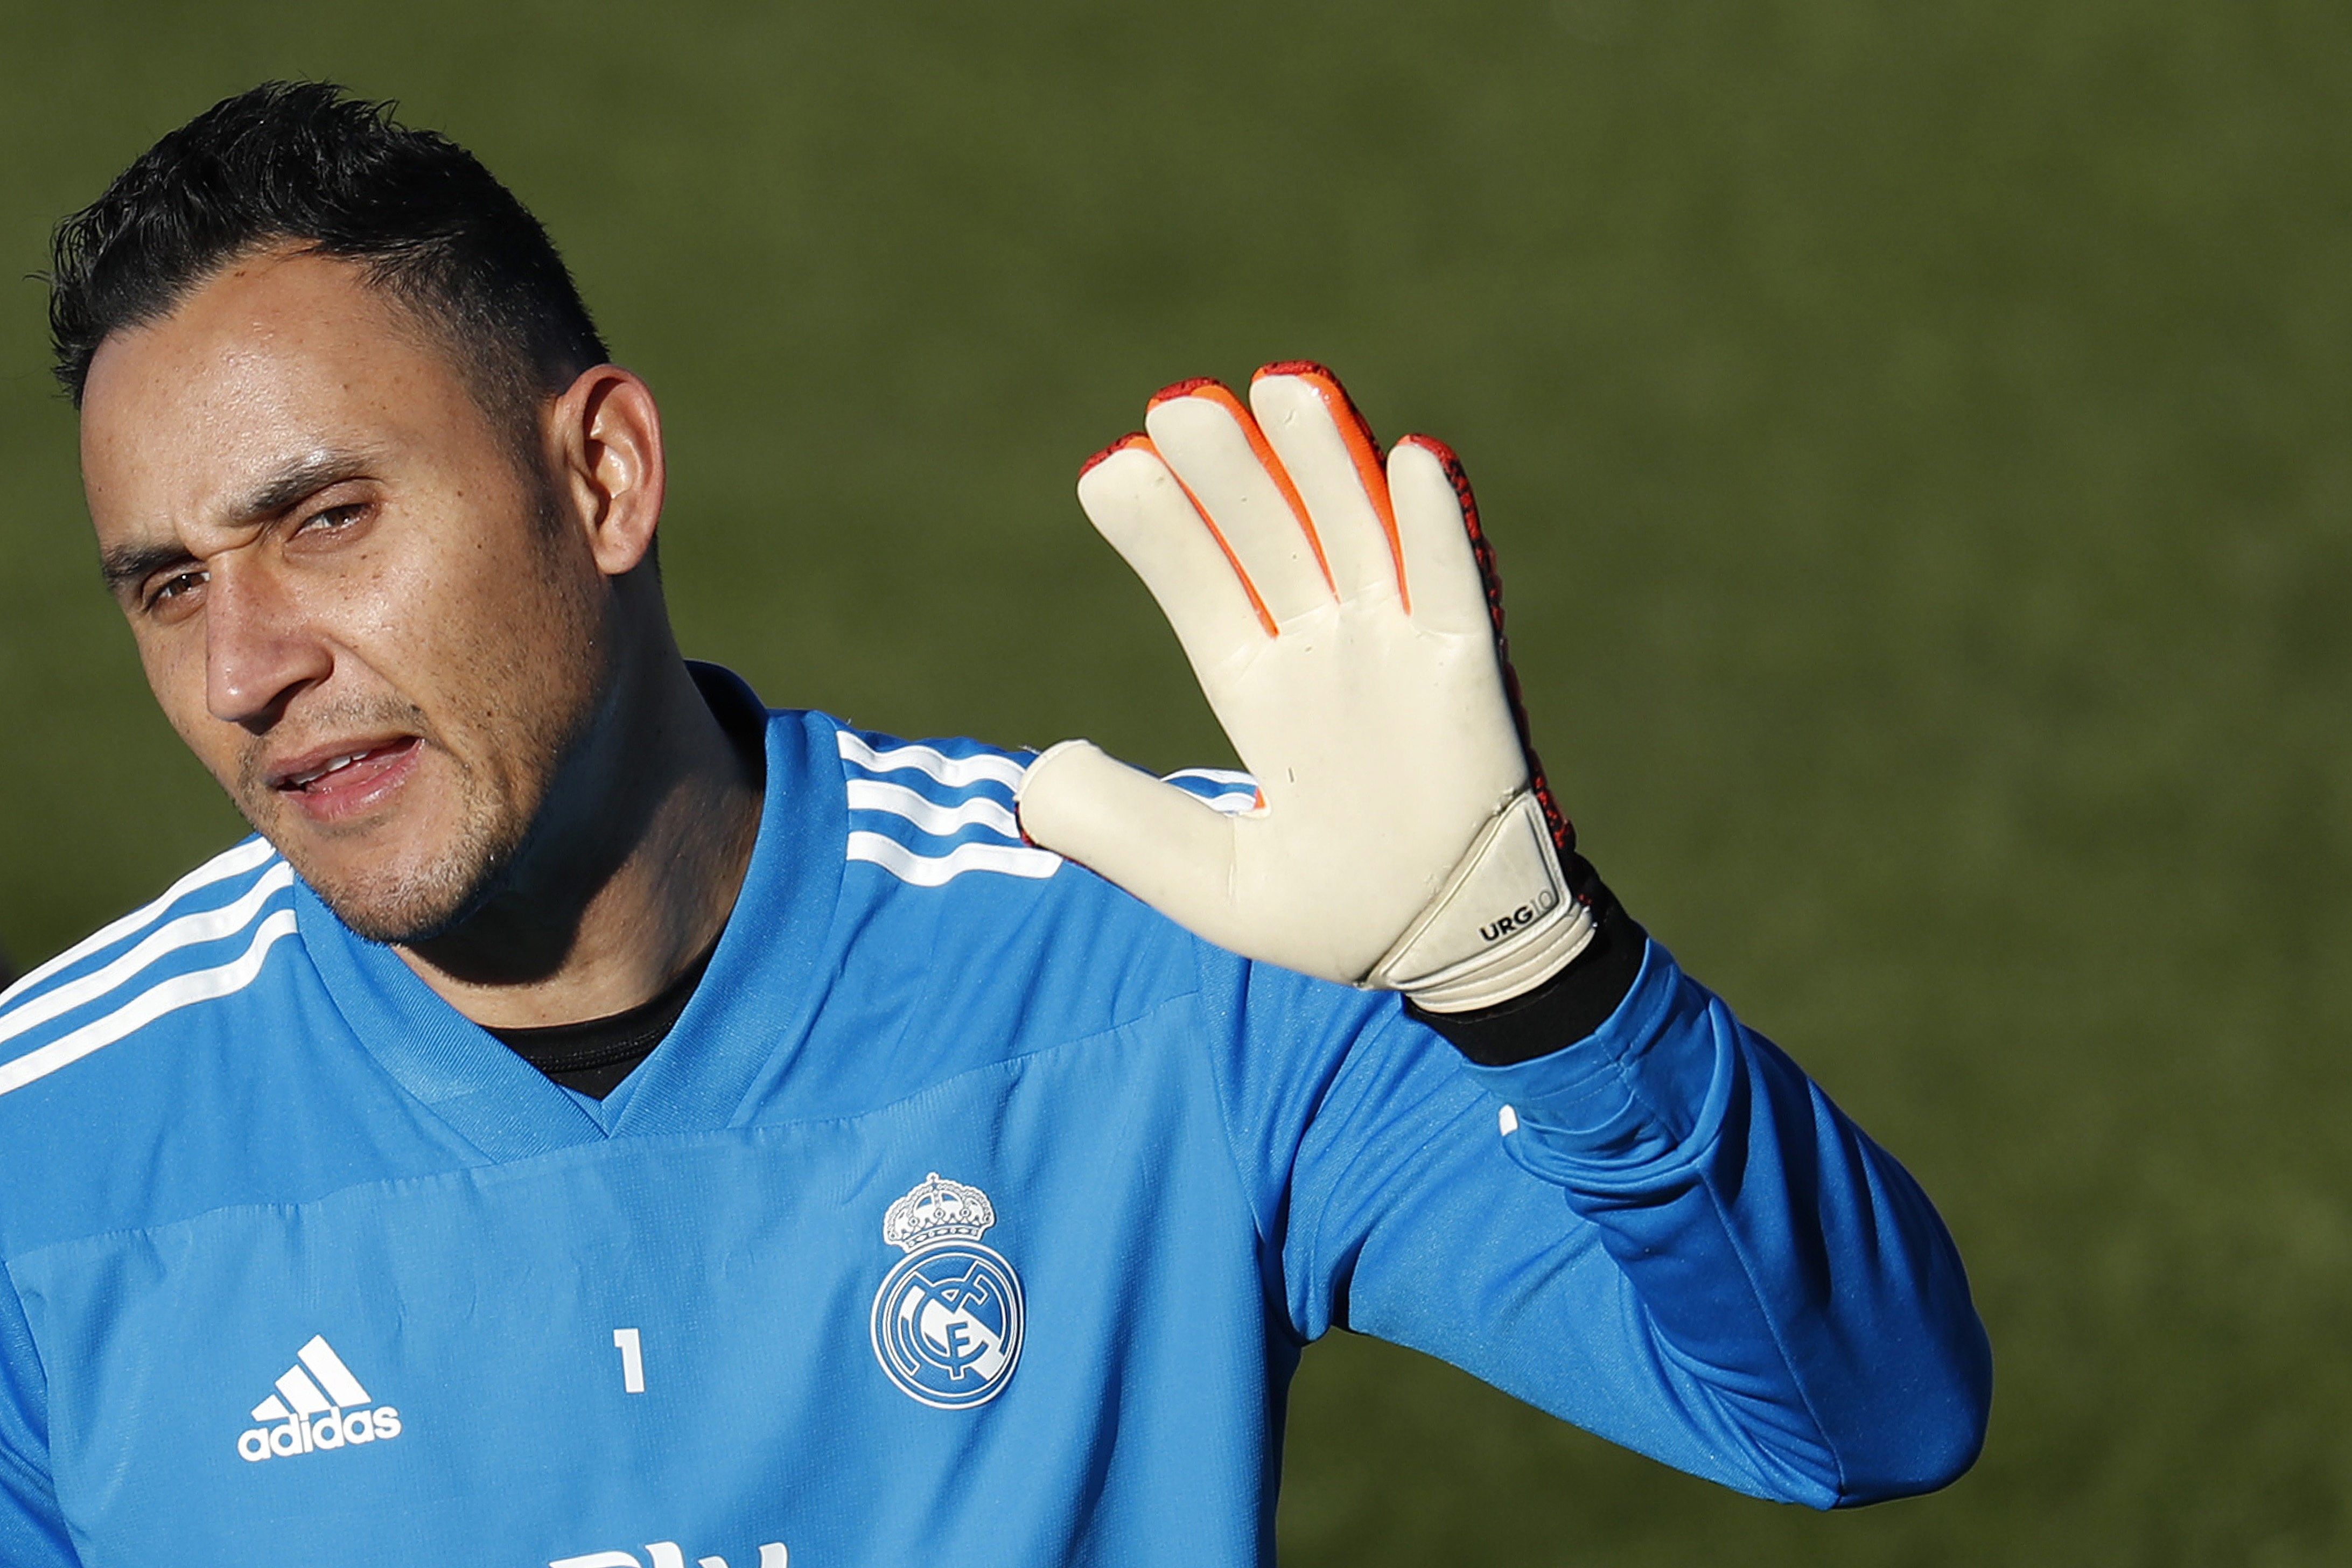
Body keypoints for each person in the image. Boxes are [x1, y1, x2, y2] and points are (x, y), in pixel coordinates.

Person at [0, 83, 1990, 1567]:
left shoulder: (1180, 953)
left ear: (602, 477)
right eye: (168, 588)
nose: (250, 666)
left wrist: (1534, 981)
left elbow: (1859, 1418)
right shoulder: (42, 1167)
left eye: (327, 521)